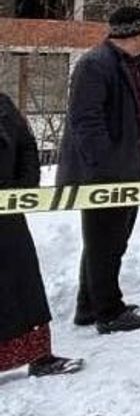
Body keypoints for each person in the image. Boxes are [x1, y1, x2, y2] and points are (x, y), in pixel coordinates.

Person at [58, 6, 140, 334]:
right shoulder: (95, 65)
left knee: (112, 241)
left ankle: (89, 306)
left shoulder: (130, 65)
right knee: (105, 242)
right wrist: (108, 168)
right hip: (106, 175)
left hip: (130, 170)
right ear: (131, 34)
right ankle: (108, 311)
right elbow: (86, 123)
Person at [1, 93, 83, 377]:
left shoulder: (3, 105)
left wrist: (23, 187)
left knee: (23, 285)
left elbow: (26, 146)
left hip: (8, 217)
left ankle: (39, 356)